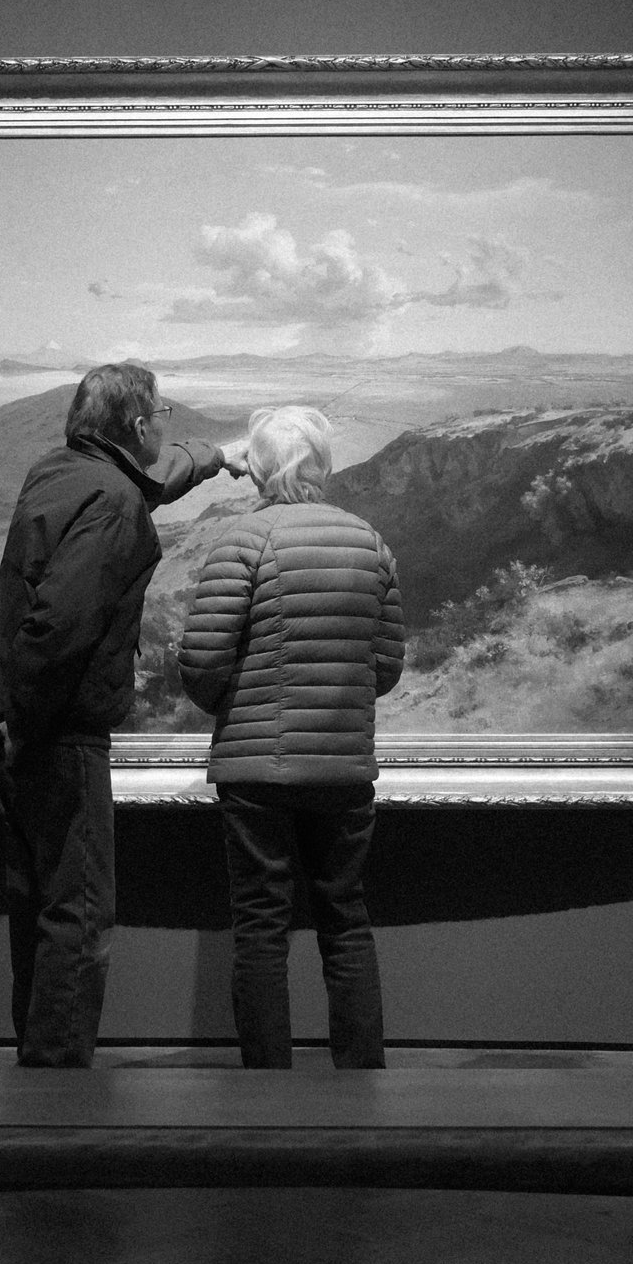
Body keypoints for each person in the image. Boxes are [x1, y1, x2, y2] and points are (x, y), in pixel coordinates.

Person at [0, 362, 241, 1066]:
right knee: (80, 918)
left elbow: (150, 480)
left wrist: (219, 457)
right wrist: (26, 725)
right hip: (58, 735)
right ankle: (56, 1101)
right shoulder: (116, 501)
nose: (168, 425)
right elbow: (62, 625)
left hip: (19, 729)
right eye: (164, 416)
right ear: (138, 425)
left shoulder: (61, 472)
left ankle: (33, 1084)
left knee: (36, 911)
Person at [176, 405, 404, 1069]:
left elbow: (202, 666)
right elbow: (385, 667)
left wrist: (243, 704)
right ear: (324, 466)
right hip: (343, 772)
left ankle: (267, 1098)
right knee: (346, 925)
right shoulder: (370, 542)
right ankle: (362, 1085)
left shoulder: (242, 543)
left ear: (259, 470)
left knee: (261, 934)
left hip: (257, 778)